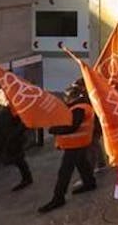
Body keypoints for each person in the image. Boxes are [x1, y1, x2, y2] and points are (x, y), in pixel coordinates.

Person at [39, 80, 97, 213]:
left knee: (64, 171)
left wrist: (54, 130)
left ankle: (58, 197)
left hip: (75, 143)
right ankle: (89, 182)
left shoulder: (79, 108)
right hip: (79, 142)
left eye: (67, 96)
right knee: (81, 163)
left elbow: (71, 126)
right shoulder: (81, 106)